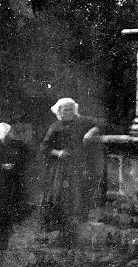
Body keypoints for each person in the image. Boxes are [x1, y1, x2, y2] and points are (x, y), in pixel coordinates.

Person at [40, 98, 103, 246]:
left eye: (71, 109)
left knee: (78, 197)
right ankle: (60, 235)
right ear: (59, 111)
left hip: (78, 166)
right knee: (60, 198)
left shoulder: (82, 122)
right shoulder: (55, 127)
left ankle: (74, 235)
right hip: (61, 169)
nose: (69, 112)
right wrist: (58, 153)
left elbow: (100, 123)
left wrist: (91, 132)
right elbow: (44, 148)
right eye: (65, 110)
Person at [0, 122, 29, 252]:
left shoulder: (17, 146)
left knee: (7, 213)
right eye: (8, 133)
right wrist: (1, 166)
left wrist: (13, 165)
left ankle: (3, 242)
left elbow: (23, 159)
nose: (10, 135)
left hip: (12, 183)